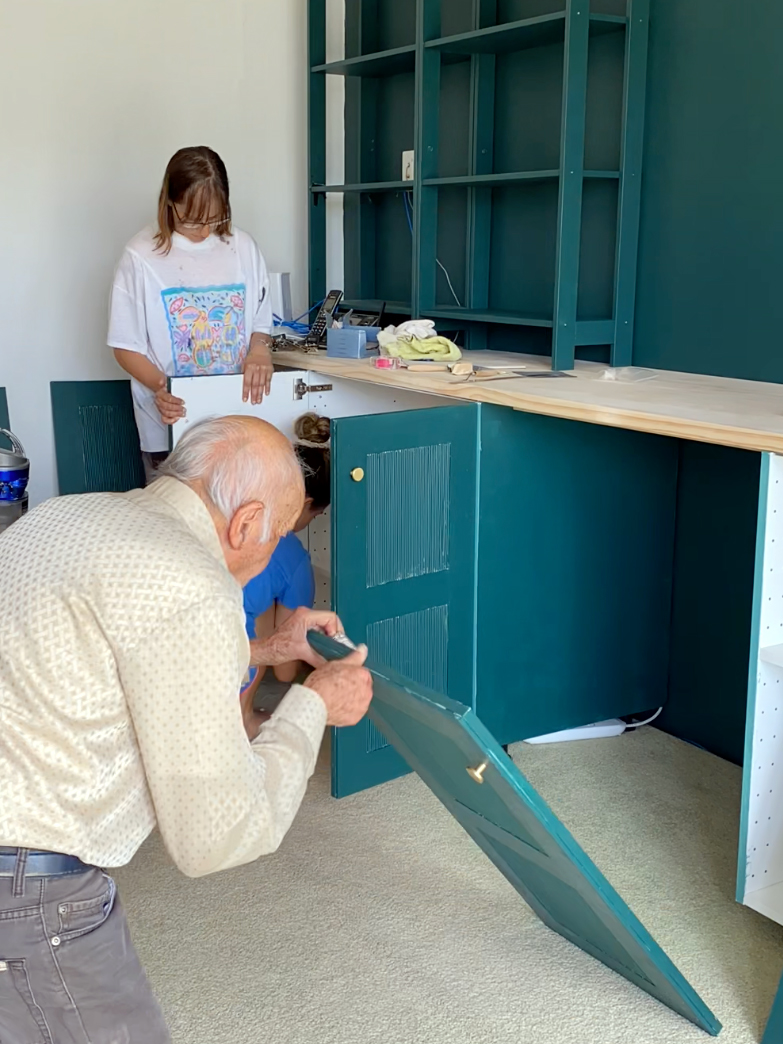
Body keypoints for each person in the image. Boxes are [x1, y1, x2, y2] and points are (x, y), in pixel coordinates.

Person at [0, 415, 373, 1043]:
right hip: (26, 884)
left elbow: (126, 650)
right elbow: (218, 834)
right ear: (247, 521)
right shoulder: (192, 584)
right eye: (278, 534)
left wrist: (269, 646)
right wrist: (312, 705)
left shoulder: (66, 515)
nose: (267, 556)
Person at [108, 146, 275, 483]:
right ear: (170, 202)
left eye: (215, 219)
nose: (203, 230)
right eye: (193, 219)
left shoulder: (243, 248)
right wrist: (161, 387)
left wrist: (260, 352)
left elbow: (260, 319)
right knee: (176, 526)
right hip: (171, 428)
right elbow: (125, 346)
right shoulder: (141, 256)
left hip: (236, 422)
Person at [241, 414, 331, 723]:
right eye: (316, 515)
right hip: (227, 659)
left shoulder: (236, 515)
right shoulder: (294, 560)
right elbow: (284, 671)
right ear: (304, 503)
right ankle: (244, 718)